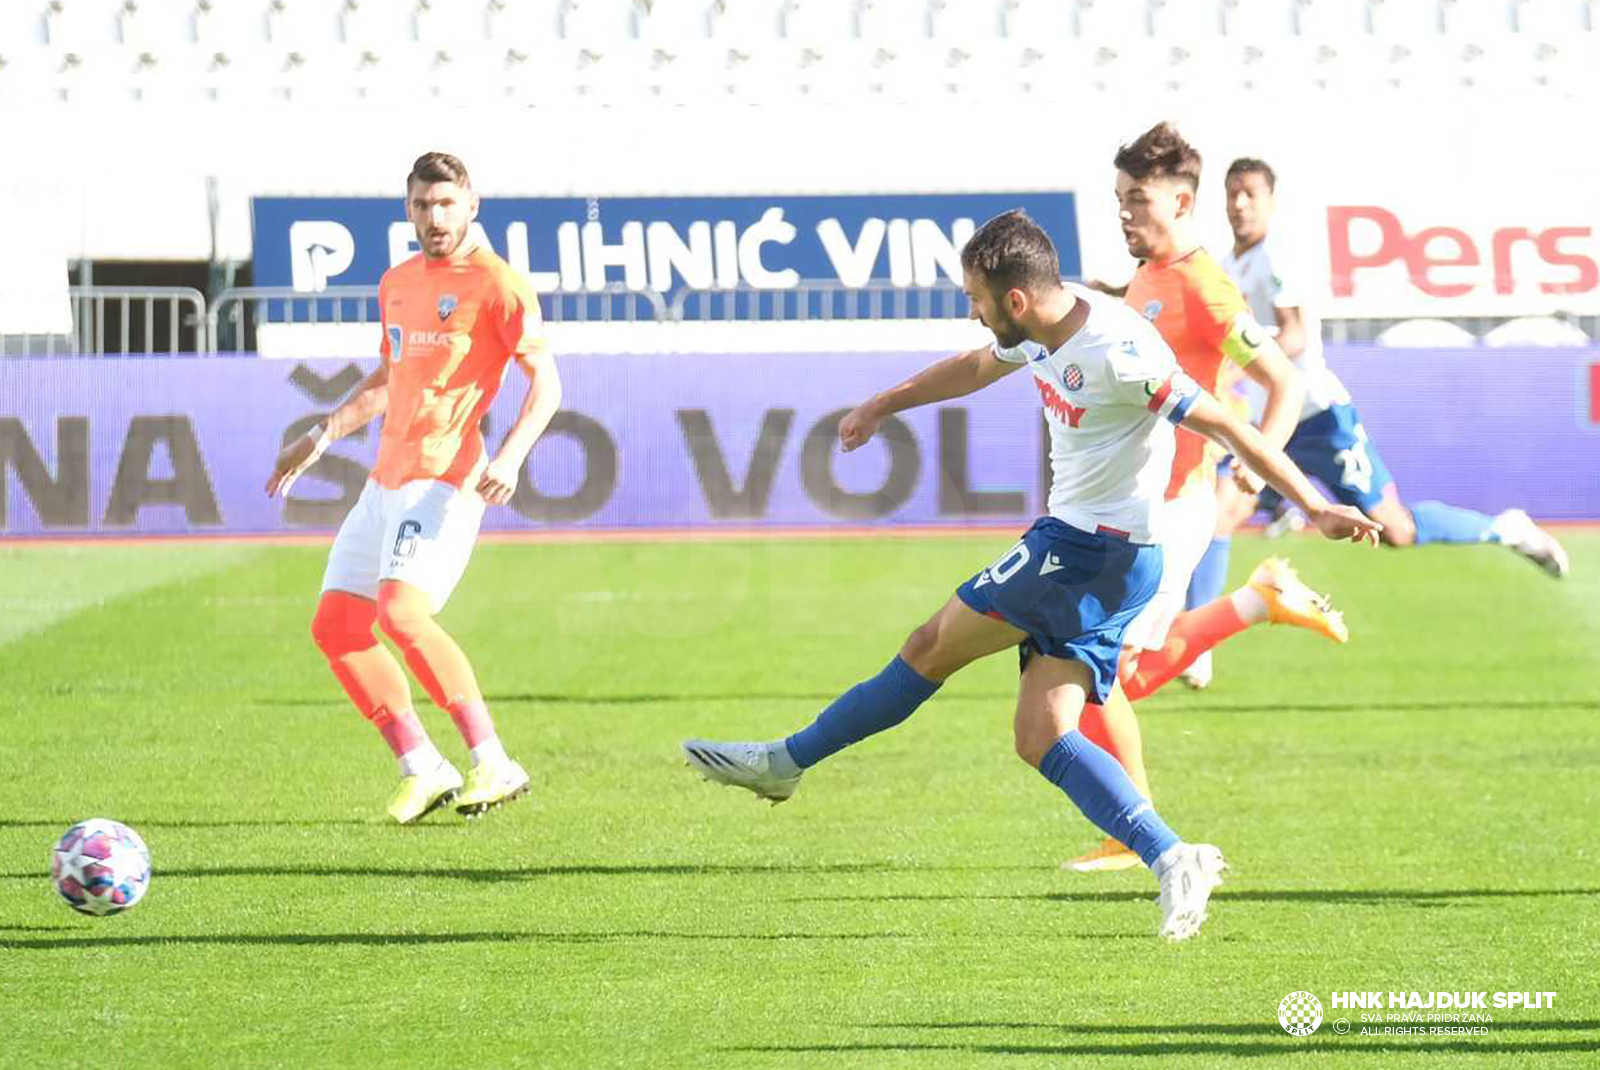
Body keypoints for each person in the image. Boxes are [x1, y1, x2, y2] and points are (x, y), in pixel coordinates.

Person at [680, 209, 1382, 941]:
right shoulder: (1047, 320)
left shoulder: (1118, 352)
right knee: (1040, 735)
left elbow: (1229, 426)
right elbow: (978, 366)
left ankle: (784, 761)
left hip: (1089, 550)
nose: (972, 311)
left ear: (1015, 300)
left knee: (928, 647)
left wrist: (1316, 504)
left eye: (976, 300)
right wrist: (886, 402)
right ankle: (1175, 856)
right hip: (1100, 553)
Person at [1065, 123, 1349, 873]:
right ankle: (1130, 826)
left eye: (1137, 200)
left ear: (1182, 201)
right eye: (1119, 199)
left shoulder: (1202, 283)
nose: (1124, 213)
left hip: (1174, 503)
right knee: (1092, 669)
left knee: (1098, 671)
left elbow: (1283, 381)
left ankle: (1133, 828)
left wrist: (1256, 471)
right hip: (1141, 498)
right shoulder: (1150, 276)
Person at [1180, 156, 1571, 688]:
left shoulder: (1277, 259)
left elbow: (1293, 336)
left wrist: (1240, 359)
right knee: (1222, 512)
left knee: (1397, 530)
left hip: (1317, 415)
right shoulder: (1231, 263)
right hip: (1272, 416)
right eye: (1232, 193)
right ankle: (1195, 646)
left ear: (1271, 199)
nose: (1239, 203)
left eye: (1249, 192)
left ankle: (1507, 529)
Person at [265, 152, 562, 824]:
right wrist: (320, 435)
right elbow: (390, 379)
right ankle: (422, 765)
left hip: (445, 479)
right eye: (424, 205)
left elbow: (547, 384)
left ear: (472, 205)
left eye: (448, 204)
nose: (436, 217)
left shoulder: (499, 285)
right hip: (385, 482)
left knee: (401, 614)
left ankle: (493, 761)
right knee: (337, 627)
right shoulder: (397, 282)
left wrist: (511, 458)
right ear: (409, 209)